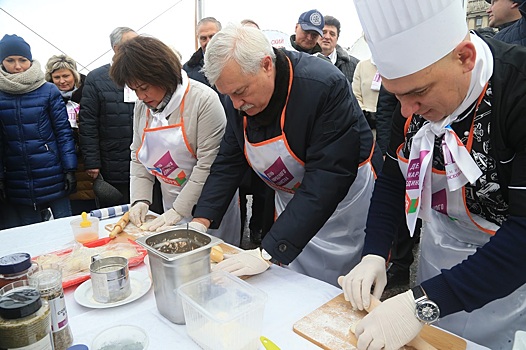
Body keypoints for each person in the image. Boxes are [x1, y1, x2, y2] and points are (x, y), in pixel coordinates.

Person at [340, 0, 526, 348]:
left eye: (418, 93)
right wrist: (375, 252)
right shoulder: (410, 102)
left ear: (465, 57)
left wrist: (422, 303)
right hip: (439, 253)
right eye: (397, 96)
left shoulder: (517, 92)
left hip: (507, 269)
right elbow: (395, 179)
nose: (408, 112)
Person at [190, 24, 382, 287]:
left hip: (343, 205)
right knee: (292, 284)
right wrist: (201, 221)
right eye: (228, 95)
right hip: (293, 205)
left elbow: (328, 176)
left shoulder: (324, 85)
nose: (235, 105)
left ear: (266, 65)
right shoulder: (235, 94)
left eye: (240, 92)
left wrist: (268, 250)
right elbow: (228, 162)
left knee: (336, 290)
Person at [109, 35, 240, 245]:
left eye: (144, 88)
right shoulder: (143, 108)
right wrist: (140, 200)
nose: (141, 97)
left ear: (163, 75)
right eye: (135, 90)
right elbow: (138, 156)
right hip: (170, 200)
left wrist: (180, 210)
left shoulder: (203, 101)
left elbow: (208, 165)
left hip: (207, 206)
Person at [0, 34, 77, 228]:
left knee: (65, 229)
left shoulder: (48, 90)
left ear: (30, 60)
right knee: (31, 233)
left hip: (52, 172)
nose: (17, 66)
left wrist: (69, 169)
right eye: (10, 60)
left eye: (22, 60)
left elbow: (62, 131)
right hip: (17, 178)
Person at [79, 27, 137, 208]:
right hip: (112, 162)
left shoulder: (144, 74)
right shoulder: (96, 78)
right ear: (116, 48)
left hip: (145, 162)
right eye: (131, 44)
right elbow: (87, 123)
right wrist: (92, 162)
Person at [45, 54, 96, 215]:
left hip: (87, 162)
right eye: (57, 77)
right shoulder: (47, 100)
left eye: (66, 75)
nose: (62, 81)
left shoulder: (88, 94)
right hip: (64, 164)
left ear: (74, 75)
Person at [318, 15, 359, 83]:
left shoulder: (355, 65)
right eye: (323, 32)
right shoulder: (304, 61)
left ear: (337, 38)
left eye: (332, 34)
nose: (327, 37)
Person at [182, 17, 221, 88]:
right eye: (203, 38)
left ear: (221, 35)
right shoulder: (187, 71)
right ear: (198, 39)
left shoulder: (235, 62)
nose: (209, 42)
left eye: (212, 36)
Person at [352, 58, 381, 130]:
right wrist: (366, 114)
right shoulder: (362, 66)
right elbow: (355, 95)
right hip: (366, 122)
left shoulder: (393, 67)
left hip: (388, 122)